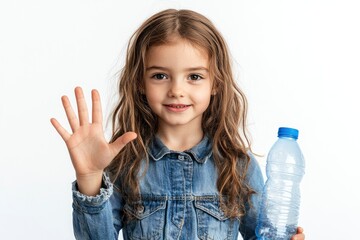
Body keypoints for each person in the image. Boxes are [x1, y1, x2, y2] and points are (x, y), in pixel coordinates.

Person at [51, 9, 305, 240]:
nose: (176, 90)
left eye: (194, 76)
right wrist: (90, 178)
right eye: (160, 76)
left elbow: (264, 235)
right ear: (140, 81)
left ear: (215, 83)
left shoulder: (238, 164)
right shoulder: (126, 162)